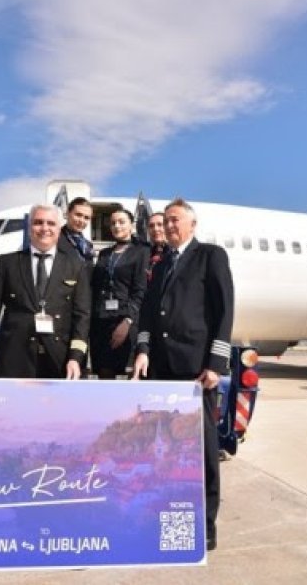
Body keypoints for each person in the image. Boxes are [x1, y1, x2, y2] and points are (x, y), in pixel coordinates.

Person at [133, 198, 234, 552]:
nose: (169, 226)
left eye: (175, 220)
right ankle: (166, 511)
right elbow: (147, 313)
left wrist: (215, 365)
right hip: (161, 369)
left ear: (192, 223)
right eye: (165, 222)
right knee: (166, 448)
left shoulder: (210, 256)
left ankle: (206, 524)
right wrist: (143, 351)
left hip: (195, 370)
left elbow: (224, 312)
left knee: (203, 448)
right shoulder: (160, 265)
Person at [0, 204, 91, 381]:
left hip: (60, 361)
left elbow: (82, 317)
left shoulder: (76, 266)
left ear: (59, 229)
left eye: (51, 223)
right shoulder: (7, 263)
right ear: (30, 227)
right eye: (38, 222)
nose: (44, 228)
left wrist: (75, 357)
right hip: (14, 359)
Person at [90, 208, 150, 379]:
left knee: (128, 375)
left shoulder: (141, 252)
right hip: (102, 322)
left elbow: (140, 290)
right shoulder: (104, 253)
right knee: (104, 375)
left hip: (125, 321)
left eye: (122, 222)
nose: (117, 226)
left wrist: (127, 321)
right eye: (113, 223)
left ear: (132, 225)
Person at [58, 197, 94, 262]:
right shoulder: (55, 239)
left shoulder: (88, 245)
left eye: (86, 218)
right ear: (68, 213)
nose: (81, 220)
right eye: (78, 215)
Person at [146, 212, 167, 282]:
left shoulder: (176, 253)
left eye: (160, 225)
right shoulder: (145, 253)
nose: (155, 229)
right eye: (151, 226)